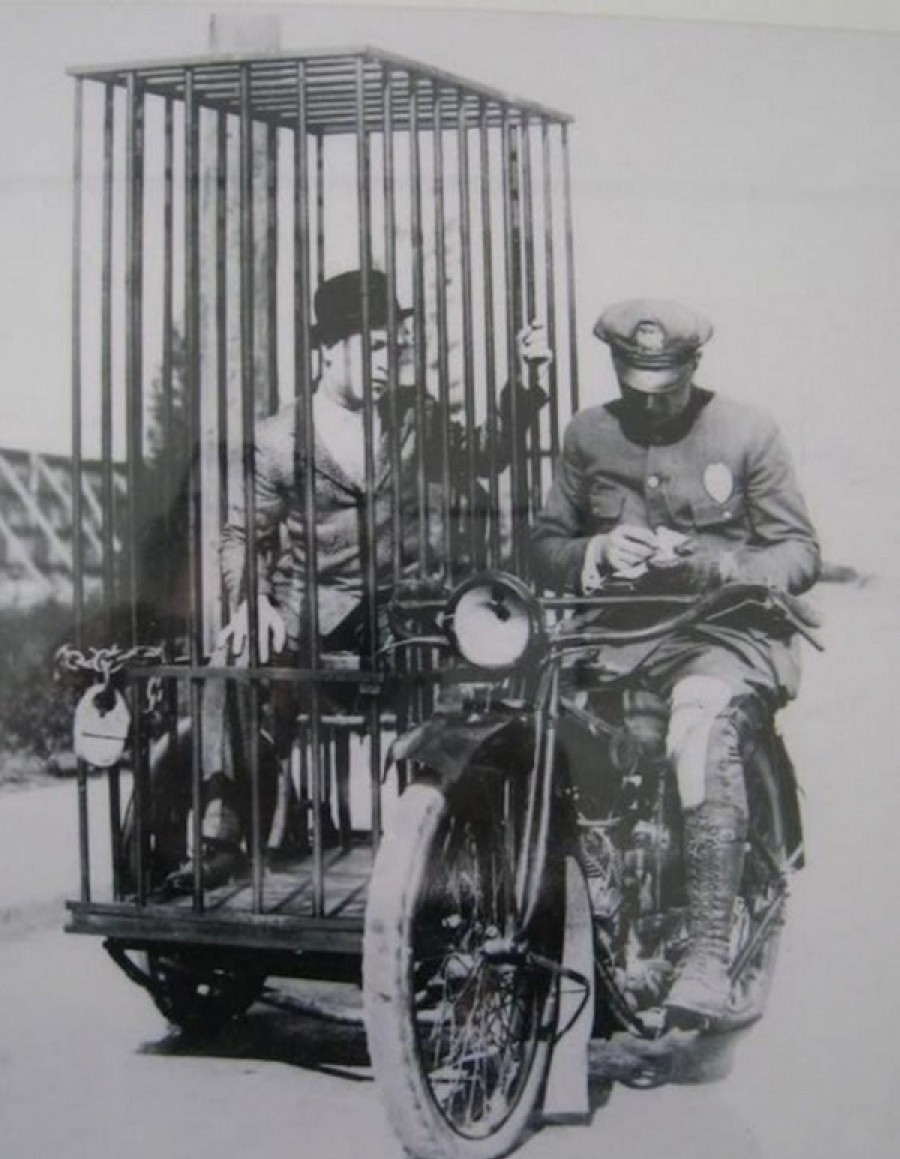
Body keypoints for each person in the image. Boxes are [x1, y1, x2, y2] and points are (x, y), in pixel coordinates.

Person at [168, 268, 551, 892]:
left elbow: (487, 454)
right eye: (372, 348)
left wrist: (526, 380)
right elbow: (242, 536)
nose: (387, 363)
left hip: (401, 608)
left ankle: (450, 834)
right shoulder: (279, 438)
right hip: (310, 606)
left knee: (469, 667)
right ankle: (221, 835)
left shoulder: (415, 414)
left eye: (393, 348)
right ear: (326, 349)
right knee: (231, 659)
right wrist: (253, 601)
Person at [531, 298, 820, 1027]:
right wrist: (596, 552)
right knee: (556, 742)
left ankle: (708, 957)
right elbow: (544, 546)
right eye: (635, 385)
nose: (651, 402)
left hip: (720, 635)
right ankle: (591, 917)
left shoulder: (746, 431)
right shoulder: (589, 434)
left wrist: (718, 566)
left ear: (693, 364)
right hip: (612, 641)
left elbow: (799, 552)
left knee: (698, 728)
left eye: (666, 385)